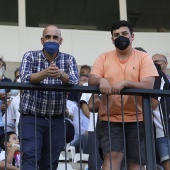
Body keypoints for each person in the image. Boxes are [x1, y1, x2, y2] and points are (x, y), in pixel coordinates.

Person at [88, 20, 158, 170]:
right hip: (109, 117)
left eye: (125, 34)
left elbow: (148, 84)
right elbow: (92, 79)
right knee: (112, 157)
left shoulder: (144, 57)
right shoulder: (104, 57)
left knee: (136, 162)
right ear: (112, 39)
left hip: (139, 117)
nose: (121, 37)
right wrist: (102, 80)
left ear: (132, 36)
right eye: (117, 35)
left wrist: (125, 83)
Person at [19, 25, 79, 169]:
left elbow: (75, 81)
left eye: (55, 37)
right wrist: (45, 73)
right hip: (31, 118)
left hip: (56, 120)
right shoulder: (30, 56)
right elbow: (24, 77)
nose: (51, 40)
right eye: (48, 37)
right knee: (29, 157)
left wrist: (61, 74)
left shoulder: (69, 59)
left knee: (50, 163)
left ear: (61, 40)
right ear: (42, 40)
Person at [152, 63, 170, 170]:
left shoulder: (158, 75)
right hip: (149, 129)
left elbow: (154, 103)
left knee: (166, 160)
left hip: (161, 128)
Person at [0, 58, 12, 136]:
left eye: (2, 66)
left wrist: (6, 104)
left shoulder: (8, 81)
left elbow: (11, 96)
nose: (1, 68)